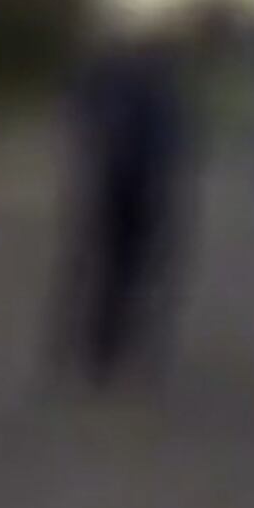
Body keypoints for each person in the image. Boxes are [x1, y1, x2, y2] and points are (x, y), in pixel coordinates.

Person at [62, 23, 193, 376]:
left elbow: (86, 120)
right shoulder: (159, 88)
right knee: (129, 273)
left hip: (120, 185)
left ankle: (102, 349)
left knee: (112, 271)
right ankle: (111, 349)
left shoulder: (112, 82)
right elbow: (177, 141)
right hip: (136, 187)